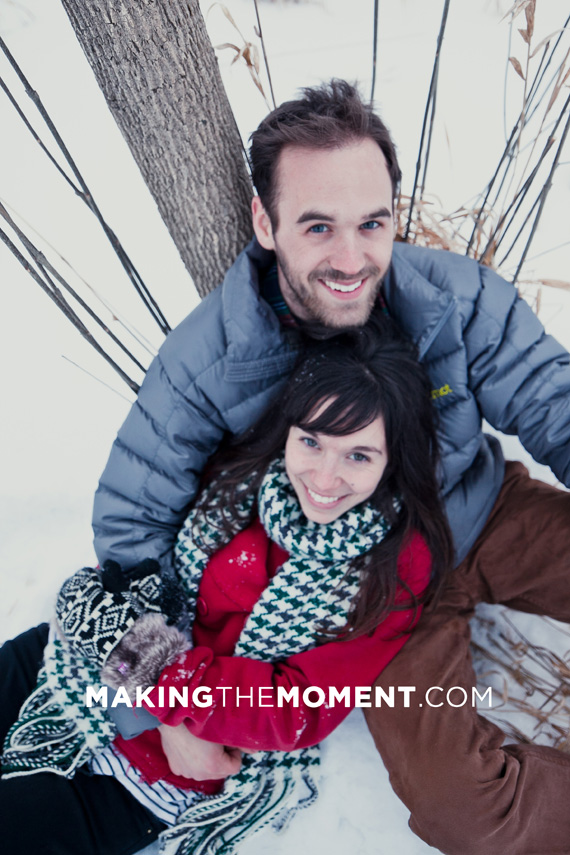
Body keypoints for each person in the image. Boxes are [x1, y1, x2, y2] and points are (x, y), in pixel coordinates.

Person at [86, 79, 570, 855]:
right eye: (318, 226)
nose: (351, 259)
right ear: (264, 222)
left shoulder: (456, 300)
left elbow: (555, 402)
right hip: (374, 595)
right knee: (465, 809)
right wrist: (169, 709)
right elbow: (130, 526)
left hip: (484, 514)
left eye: (371, 223)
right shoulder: (208, 360)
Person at [0, 324, 452, 855]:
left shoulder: (394, 567)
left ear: (394, 458)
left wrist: (155, 683)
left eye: (358, 456)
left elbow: (294, 708)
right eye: (311, 441)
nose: (325, 479)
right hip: (75, 668)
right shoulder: (240, 478)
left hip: (157, 770)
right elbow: (139, 557)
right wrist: (143, 676)